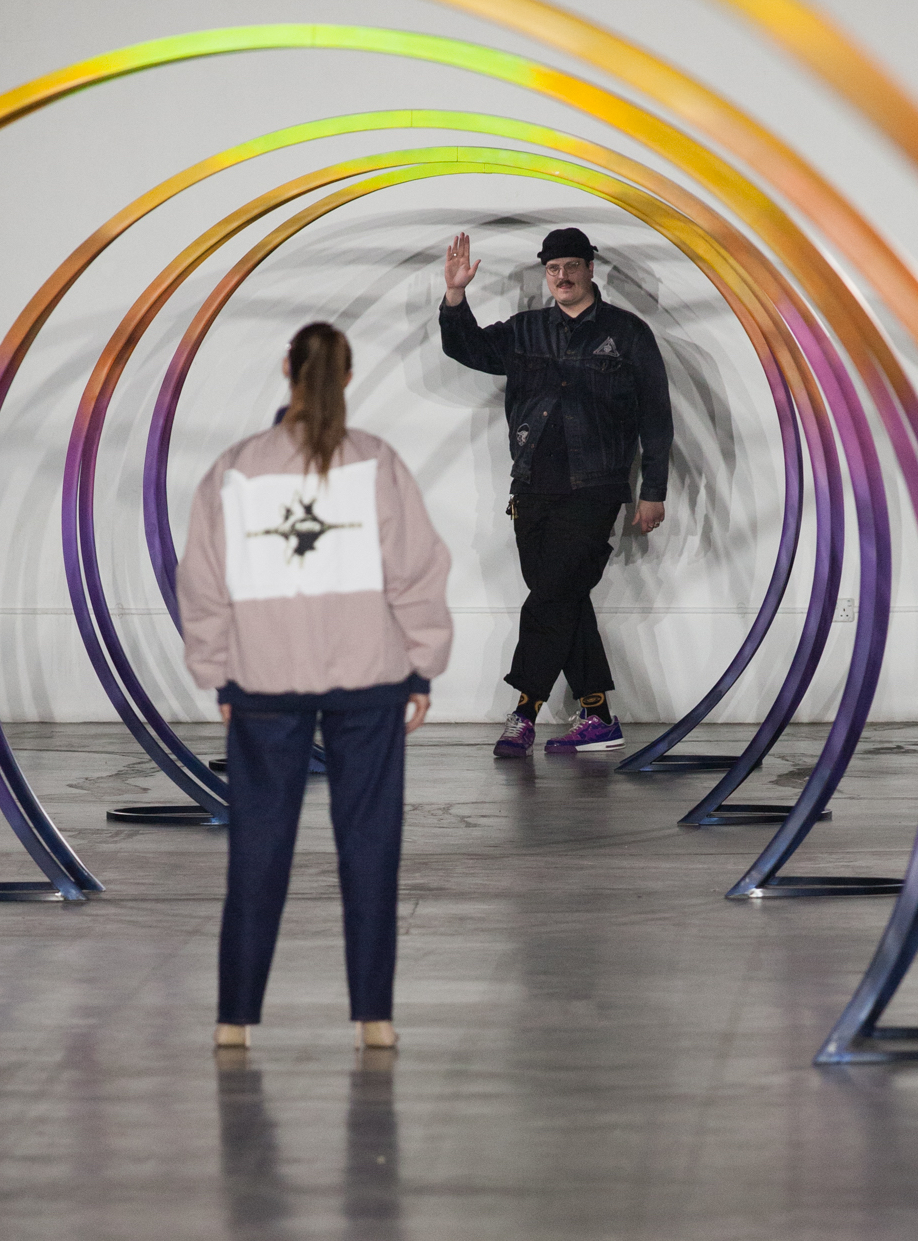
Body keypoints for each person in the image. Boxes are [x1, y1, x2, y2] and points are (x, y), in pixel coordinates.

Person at [177, 322, 452, 1051]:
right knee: (371, 848)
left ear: (286, 369)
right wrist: (422, 663)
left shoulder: (237, 468)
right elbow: (417, 569)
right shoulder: (376, 462)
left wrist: (216, 672)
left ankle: (233, 1021)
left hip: (263, 680)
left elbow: (203, 582)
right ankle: (375, 1020)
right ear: (349, 377)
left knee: (257, 849)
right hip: (370, 678)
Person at [440, 226, 672, 758]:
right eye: (552, 269)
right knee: (562, 596)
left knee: (551, 596)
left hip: (596, 487)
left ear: (590, 268)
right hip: (532, 486)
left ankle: (524, 712)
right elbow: (466, 347)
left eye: (571, 266)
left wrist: (653, 490)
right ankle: (597, 716)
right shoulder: (524, 330)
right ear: (545, 275)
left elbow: (656, 416)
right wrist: (455, 295)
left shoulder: (627, 333)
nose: (562, 276)